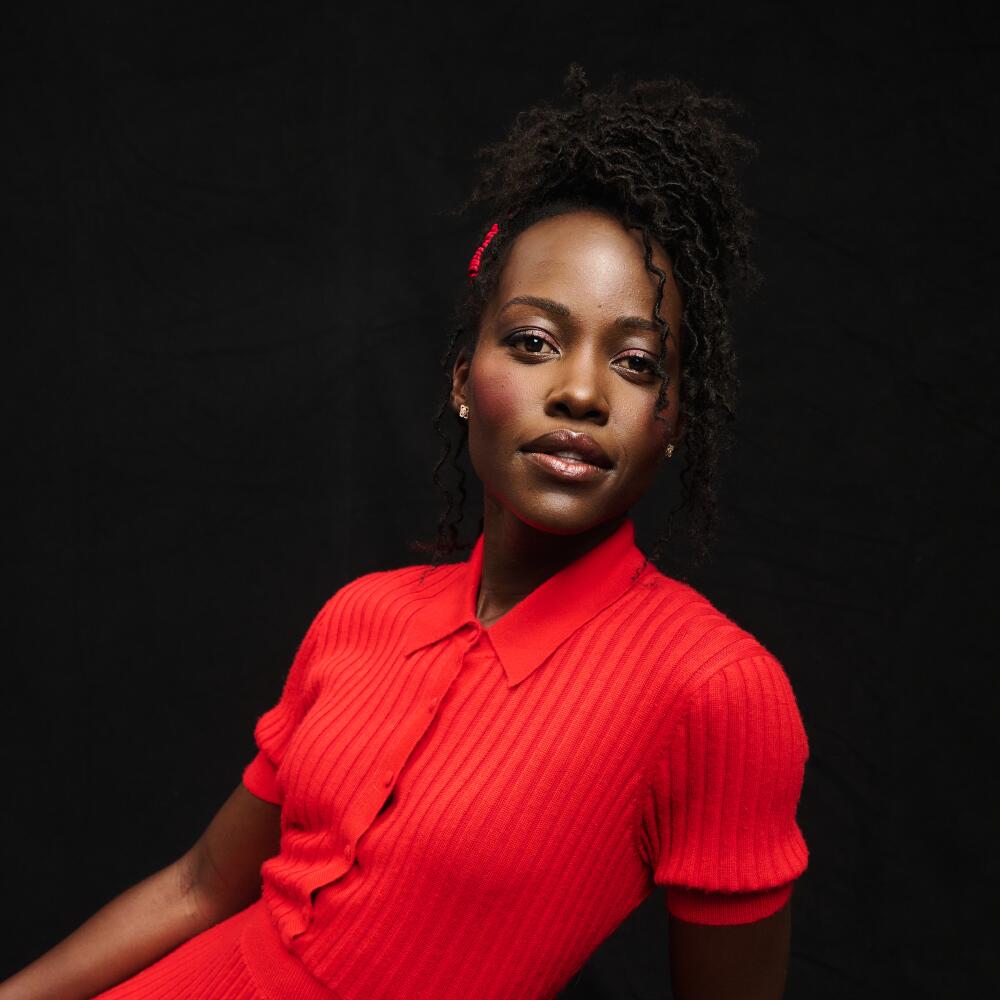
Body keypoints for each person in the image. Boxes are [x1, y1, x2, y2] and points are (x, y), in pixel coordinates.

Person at [1, 64, 810, 1000]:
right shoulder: (362, 615)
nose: (581, 393)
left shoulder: (714, 692)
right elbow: (199, 886)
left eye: (634, 363)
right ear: (464, 378)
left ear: (671, 422)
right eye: (534, 342)